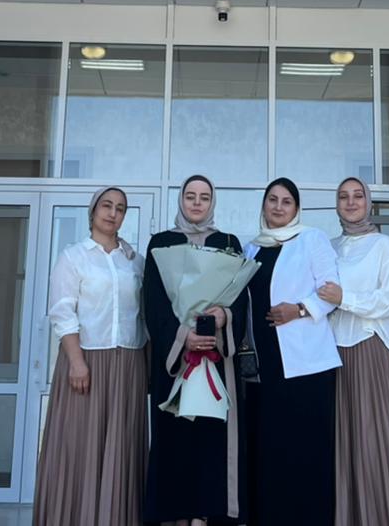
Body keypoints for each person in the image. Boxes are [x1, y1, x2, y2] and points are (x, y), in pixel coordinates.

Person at [34, 186, 147, 526]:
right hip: (86, 362)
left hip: (128, 364)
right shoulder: (73, 257)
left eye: (120, 208)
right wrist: (76, 361)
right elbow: (61, 311)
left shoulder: (135, 261)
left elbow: (144, 314)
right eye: (107, 206)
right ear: (93, 210)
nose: (113, 213)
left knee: (122, 445)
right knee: (80, 443)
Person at [143, 175, 248, 525]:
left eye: (204, 197)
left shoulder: (228, 243)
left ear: (212, 202)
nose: (197, 203)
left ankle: (206, 514)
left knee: (210, 436)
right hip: (176, 359)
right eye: (191, 196)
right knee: (175, 434)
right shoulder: (161, 243)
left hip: (214, 358)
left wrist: (223, 317)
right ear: (181, 200)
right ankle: (176, 514)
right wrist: (182, 337)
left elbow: (240, 298)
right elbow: (154, 302)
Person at [318, 177, 389, 526]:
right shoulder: (328, 247)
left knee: (373, 440)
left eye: (358, 195)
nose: (351, 202)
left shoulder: (383, 246)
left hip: (371, 347)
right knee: (342, 441)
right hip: (333, 352)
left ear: (369, 202)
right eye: (343, 196)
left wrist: (344, 298)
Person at [243, 177, 340, 526]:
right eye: (273, 200)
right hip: (263, 364)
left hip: (306, 365)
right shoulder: (251, 248)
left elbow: (331, 291)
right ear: (264, 205)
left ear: (297, 208)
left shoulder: (311, 239)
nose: (279, 207)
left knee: (305, 450)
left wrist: (298, 310)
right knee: (270, 448)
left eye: (286, 201)